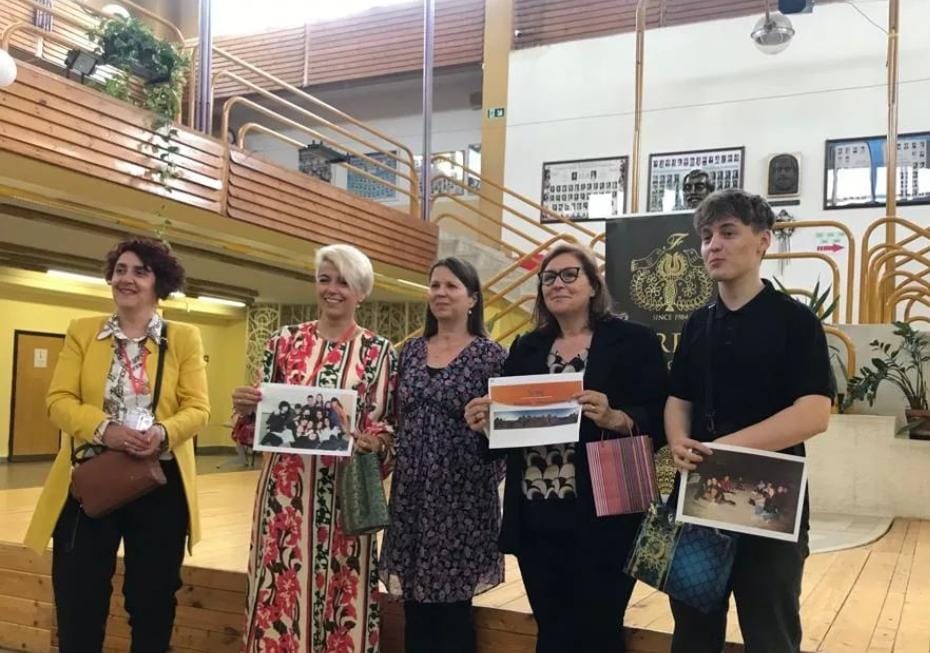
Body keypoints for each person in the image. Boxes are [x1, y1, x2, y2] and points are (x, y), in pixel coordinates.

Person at [463, 244, 668, 653]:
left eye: (570, 274)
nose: (557, 283)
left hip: (607, 511)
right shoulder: (527, 347)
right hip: (537, 511)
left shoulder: (634, 341)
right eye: (548, 278)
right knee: (552, 630)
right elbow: (505, 433)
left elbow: (663, 415)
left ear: (593, 285)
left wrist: (617, 417)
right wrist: (486, 425)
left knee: (600, 630)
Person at [665, 189, 834, 653]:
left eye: (727, 232)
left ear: (762, 241)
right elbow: (678, 398)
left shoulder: (796, 321)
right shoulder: (697, 324)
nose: (713, 245)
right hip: (699, 496)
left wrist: (723, 449)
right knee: (692, 631)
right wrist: (678, 440)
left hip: (771, 498)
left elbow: (814, 413)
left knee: (770, 632)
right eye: (706, 236)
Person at [24, 237, 210, 653]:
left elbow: (198, 408)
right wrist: (104, 429)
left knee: (152, 599)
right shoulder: (83, 332)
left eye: (140, 271)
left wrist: (162, 432)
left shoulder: (183, 338)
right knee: (78, 596)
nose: (126, 278)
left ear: (159, 283)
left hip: (159, 483)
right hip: (91, 481)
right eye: (120, 270)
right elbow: (58, 400)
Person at [232, 244, 397, 653]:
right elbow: (256, 423)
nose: (332, 289)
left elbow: (390, 425)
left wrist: (376, 441)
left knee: (343, 591)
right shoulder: (283, 342)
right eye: (324, 279)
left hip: (346, 496)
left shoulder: (380, 351)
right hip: (285, 494)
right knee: (280, 584)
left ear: (361, 292)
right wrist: (247, 407)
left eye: (343, 282)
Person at [379, 257, 507, 653]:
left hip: (462, 497)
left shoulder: (491, 356)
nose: (440, 293)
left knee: (453, 611)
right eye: (434, 285)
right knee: (415, 606)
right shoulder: (409, 352)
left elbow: (507, 430)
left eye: (451, 286)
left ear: (473, 299)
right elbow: (391, 417)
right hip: (412, 494)